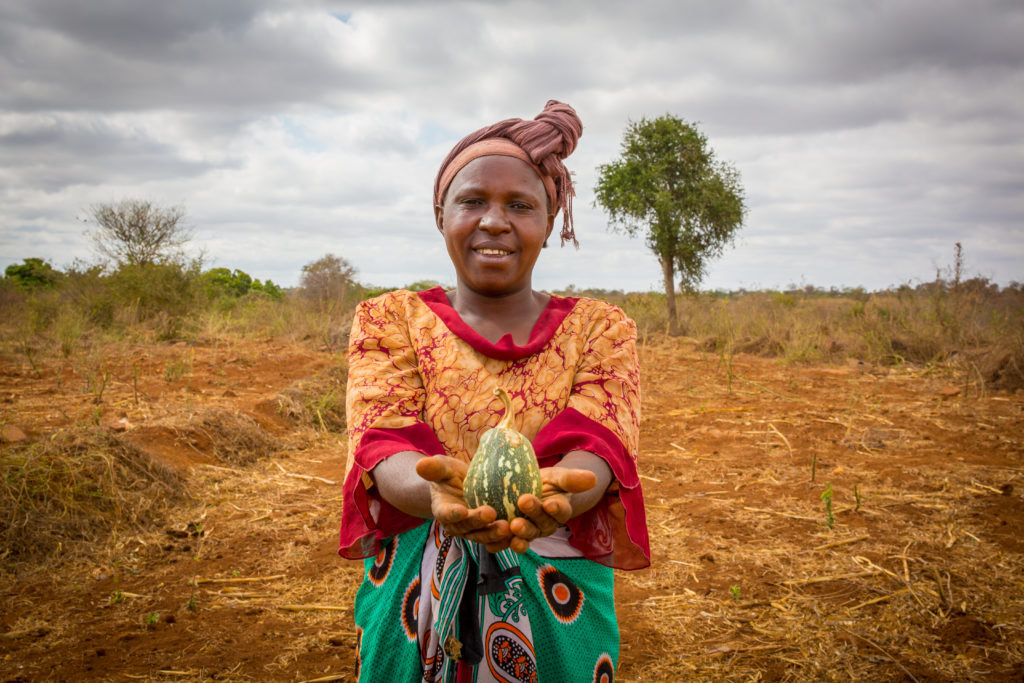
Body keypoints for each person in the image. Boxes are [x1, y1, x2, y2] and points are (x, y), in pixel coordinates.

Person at [339, 100, 649, 683]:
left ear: (550, 222)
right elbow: (383, 442)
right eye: (473, 200)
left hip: (559, 594)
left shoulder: (601, 329)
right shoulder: (390, 321)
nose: (494, 221)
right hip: (415, 587)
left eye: (521, 206)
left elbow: (600, 444)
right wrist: (436, 496)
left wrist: (561, 498)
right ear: (441, 214)